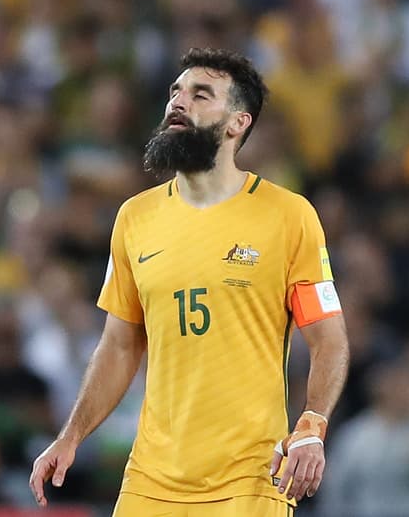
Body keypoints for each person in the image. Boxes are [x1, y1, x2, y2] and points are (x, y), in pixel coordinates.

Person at [30, 48, 350, 514]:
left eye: (201, 95)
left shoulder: (288, 216)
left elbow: (328, 341)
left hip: (248, 477)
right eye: (176, 92)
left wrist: (312, 426)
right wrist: (70, 436)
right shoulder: (134, 218)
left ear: (238, 123)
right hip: (150, 478)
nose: (179, 103)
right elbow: (120, 345)